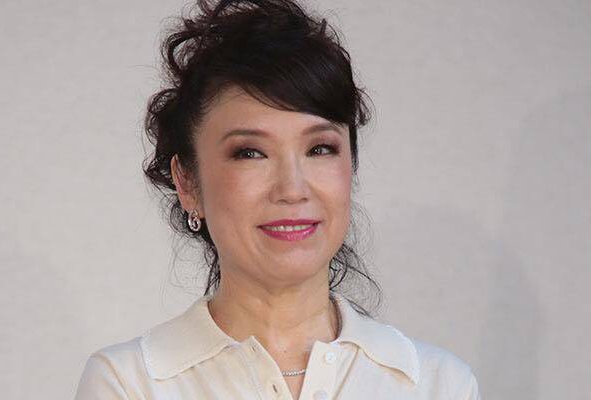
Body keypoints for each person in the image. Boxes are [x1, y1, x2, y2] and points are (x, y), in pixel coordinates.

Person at [74, 0, 481, 399]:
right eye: (250, 153)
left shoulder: (438, 385)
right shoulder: (129, 383)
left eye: (320, 149)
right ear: (187, 182)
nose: (292, 188)